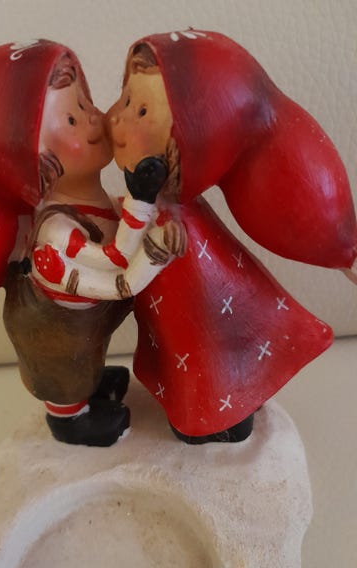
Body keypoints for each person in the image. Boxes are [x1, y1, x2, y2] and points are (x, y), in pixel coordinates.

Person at [0, 40, 182, 446]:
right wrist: (152, 231)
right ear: (34, 157)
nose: (94, 119)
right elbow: (118, 264)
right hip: (57, 327)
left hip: (91, 321)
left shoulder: (95, 204)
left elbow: (119, 224)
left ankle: (90, 386)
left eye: (86, 103)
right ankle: (70, 420)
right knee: (64, 371)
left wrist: (146, 205)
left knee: (86, 358)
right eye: (72, 119)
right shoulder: (56, 234)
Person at [107, 30, 357, 443]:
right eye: (127, 99)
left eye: (142, 110)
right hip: (176, 296)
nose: (117, 116)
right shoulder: (149, 209)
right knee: (192, 346)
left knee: (211, 339)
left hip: (202, 288)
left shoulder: (183, 213)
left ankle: (228, 402)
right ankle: (204, 411)